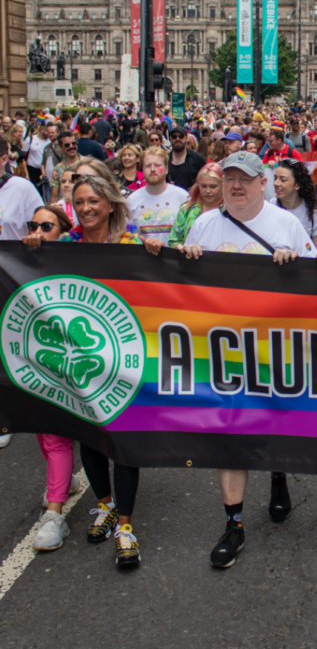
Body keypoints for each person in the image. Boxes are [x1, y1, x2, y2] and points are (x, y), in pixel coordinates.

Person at [177, 151, 316, 569]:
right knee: (229, 432)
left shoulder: (286, 224)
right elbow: (182, 287)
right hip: (222, 351)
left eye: (245, 179)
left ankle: (277, 473)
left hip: (274, 349)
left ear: (263, 184)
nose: (236, 185)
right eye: (230, 178)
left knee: (273, 422)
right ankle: (233, 524)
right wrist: (182, 261)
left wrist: (295, 266)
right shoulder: (204, 224)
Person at [58, 175, 148, 566]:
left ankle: (126, 526)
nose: (86, 209)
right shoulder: (64, 246)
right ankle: (105, 505)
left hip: (125, 358)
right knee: (89, 436)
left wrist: (156, 252)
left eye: (94, 201)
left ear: (110, 204)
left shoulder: (131, 246)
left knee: (124, 440)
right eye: (79, 203)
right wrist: (28, 249)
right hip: (79, 360)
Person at [19, 205, 79, 550]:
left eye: (46, 225)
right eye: (33, 224)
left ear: (63, 231)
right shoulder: (22, 260)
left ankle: (55, 515)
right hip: (34, 360)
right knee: (43, 433)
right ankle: (65, 482)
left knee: (57, 438)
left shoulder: (74, 258)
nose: (38, 230)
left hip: (73, 361)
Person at [127, 147, 189, 244]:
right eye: (148, 166)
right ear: (142, 169)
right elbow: (128, 235)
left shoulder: (182, 196)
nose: (152, 169)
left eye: (157, 165)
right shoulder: (132, 200)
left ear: (166, 169)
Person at [271, 158, 317, 252]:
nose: (276, 183)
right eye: (275, 178)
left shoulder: (314, 213)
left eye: (283, 180)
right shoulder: (270, 207)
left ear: (297, 185)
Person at [168, 161, 224, 247]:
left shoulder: (229, 210)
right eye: (203, 186)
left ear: (223, 185)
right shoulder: (186, 209)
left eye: (213, 187)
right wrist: (179, 247)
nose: (208, 191)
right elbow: (173, 241)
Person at [0, 136, 43, 241]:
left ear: (4, 159)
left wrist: (37, 236)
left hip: (11, 256)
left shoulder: (22, 187)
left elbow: (41, 228)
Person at [168, 125, 206, 191]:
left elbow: (205, 178)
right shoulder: (165, 159)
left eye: (181, 136)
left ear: (187, 138)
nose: (177, 139)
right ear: (170, 139)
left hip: (191, 198)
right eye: (174, 137)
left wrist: (196, 186)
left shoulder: (197, 158)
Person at [50, 131, 84, 203]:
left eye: (74, 143)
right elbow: (54, 196)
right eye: (67, 145)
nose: (71, 146)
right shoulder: (58, 169)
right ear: (60, 148)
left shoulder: (87, 163)